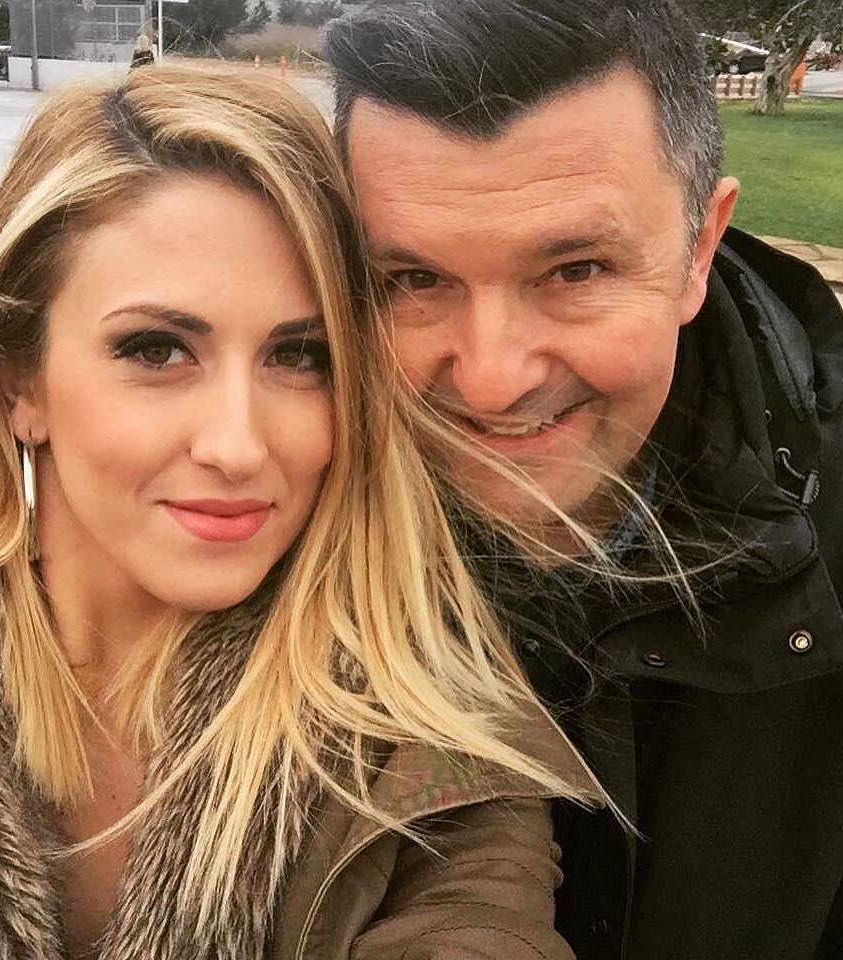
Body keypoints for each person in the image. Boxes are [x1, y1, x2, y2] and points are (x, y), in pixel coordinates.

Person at [0, 63, 601, 960]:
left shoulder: (428, 747)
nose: (238, 445)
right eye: (157, 350)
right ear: (18, 378)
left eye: (299, 357)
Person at [323, 2, 843, 958]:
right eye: (413, 280)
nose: (492, 378)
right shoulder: (271, 516)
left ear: (699, 247)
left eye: (576, 270)